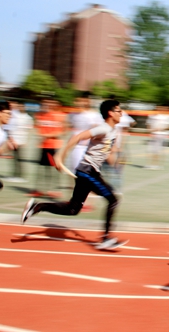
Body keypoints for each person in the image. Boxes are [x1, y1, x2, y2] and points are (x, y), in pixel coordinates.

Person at [21, 99, 124, 250]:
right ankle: (106, 239)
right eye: (119, 111)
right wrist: (59, 157)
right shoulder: (103, 128)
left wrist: (115, 162)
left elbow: (104, 151)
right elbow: (77, 137)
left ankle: (37, 207)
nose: (121, 113)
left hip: (89, 172)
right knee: (113, 200)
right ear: (110, 113)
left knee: (73, 209)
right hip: (88, 171)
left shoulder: (113, 131)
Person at [31, 99, 67, 198]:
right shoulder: (39, 115)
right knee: (41, 169)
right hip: (43, 146)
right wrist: (40, 135)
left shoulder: (60, 115)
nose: (48, 105)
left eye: (51, 102)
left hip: (54, 146)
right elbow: (37, 128)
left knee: (54, 170)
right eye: (45, 103)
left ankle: (55, 190)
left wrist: (48, 135)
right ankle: (40, 189)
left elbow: (62, 132)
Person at [6, 101, 33, 183]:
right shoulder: (14, 115)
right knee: (15, 158)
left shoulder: (28, 118)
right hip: (13, 139)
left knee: (19, 158)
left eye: (22, 106)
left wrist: (26, 140)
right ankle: (15, 174)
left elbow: (28, 130)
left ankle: (20, 175)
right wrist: (10, 138)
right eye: (19, 106)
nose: (20, 108)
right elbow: (10, 126)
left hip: (21, 140)